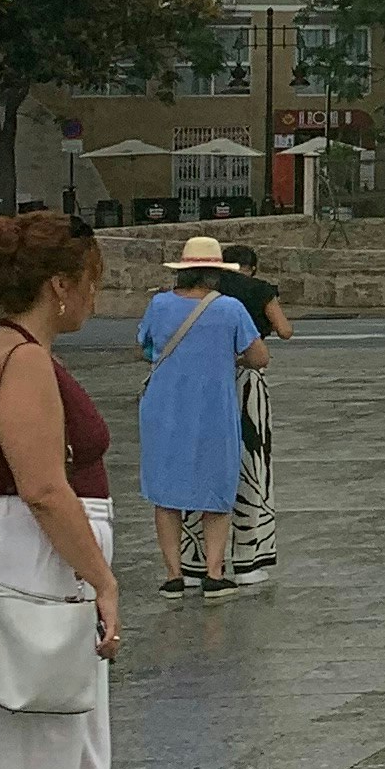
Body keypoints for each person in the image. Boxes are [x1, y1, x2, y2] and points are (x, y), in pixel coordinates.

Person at [0, 211, 197, 769]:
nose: (97, 298)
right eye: (92, 283)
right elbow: (43, 486)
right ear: (60, 286)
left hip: (39, 566)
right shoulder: (22, 360)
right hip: (38, 569)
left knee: (70, 759)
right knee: (28, 762)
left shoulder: (13, 353)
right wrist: (102, 578)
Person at [136, 235, 266, 598]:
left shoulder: (159, 304)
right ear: (215, 273)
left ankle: (173, 575)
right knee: (216, 488)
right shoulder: (230, 309)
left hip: (164, 407)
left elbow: (146, 348)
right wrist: (226, 358)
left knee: (165, 492)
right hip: (213, 408)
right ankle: (214, 572)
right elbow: (259, 357)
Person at [212, 238, 294, 584]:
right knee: (252, 463)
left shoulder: (203, 293)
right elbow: (285, 330)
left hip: (206, 379)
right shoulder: (258, 290)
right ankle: (248, 559)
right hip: (246, 380)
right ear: (253, 267)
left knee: (204, 463)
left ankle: (195, 561)